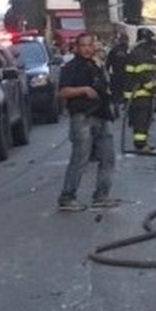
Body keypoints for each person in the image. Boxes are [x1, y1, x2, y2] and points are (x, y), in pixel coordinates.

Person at [57, 33, 118, 212]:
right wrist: (83, 90)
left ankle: (101, 195)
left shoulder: (96, 65)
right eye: (83, 45)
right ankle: (67, 197)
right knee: (80, 159)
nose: (87, 49)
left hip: (101, 116)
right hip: (82, 117)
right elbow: (63, 92)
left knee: (108, 157)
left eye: (90, 45)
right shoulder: (71, 67)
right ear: (77, 47)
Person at [124, 26, 156, 152]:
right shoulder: (141, 54)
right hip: (139, 93)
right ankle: (140, 144)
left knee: (144, 119)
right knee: (141, 120)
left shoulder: (140, 52)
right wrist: (153, 87)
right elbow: (143, 74)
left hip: (140, 93)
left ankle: (142, 143)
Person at [106, 31, 130, 114]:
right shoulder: (129, 50)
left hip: (115, 74)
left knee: (116, 92)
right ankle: (127, 106)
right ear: (127, 40)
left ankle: (116, 105)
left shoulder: (113, 50)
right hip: (127, 75)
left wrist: (108, 74)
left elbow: (108, 64)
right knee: (127, 92)